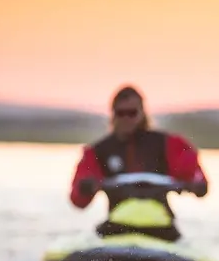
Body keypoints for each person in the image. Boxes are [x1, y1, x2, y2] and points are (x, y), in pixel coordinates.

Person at [69, 85, 208, 242]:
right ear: (113, 115)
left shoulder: (168, 144)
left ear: (142, 113)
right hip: (116, 227)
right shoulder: (98, 152)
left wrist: (194, 185)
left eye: (132, 113)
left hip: (162, 229)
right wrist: (86, 186)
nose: (126, 119)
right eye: (121, 113)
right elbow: (78, 199)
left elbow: (196, 176)